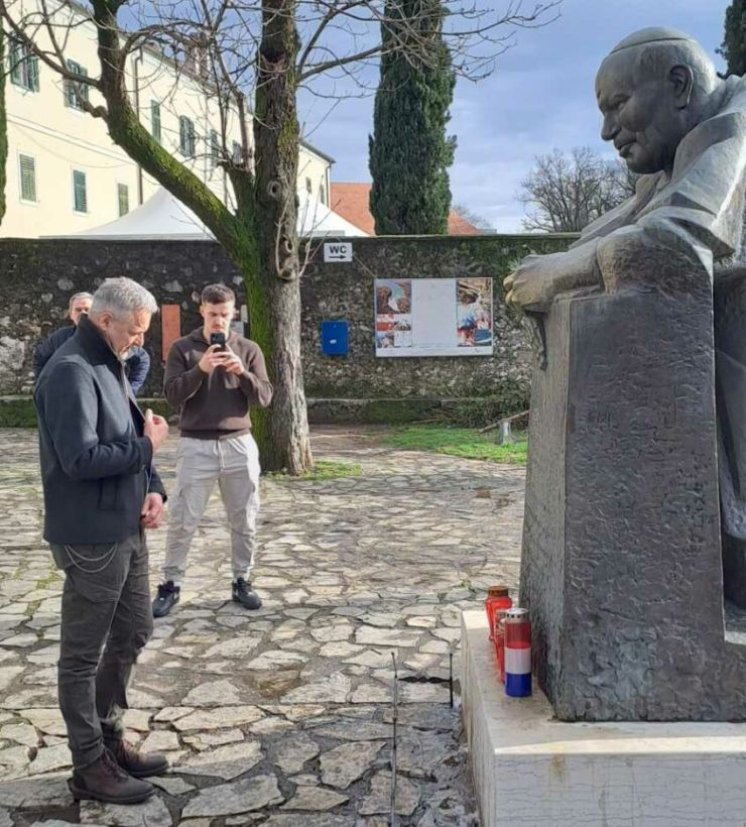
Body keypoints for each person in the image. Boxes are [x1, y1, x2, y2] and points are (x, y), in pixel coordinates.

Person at [503, 28, 746, 590]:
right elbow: (624, 224)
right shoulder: (677, 159)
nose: (608, 130)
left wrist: (560, 273)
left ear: (679, 85)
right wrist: (558, 264)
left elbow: (674, 241)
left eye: (618, 106)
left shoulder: (733, 134)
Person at [34, 278, 170, 805]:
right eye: (135, 332)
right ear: (105, 319)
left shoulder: (108, 360)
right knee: (82, 657)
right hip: (91, 536)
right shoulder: (70, 370)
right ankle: (90, 765)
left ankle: (110, 738)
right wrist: (146, 448)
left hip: (126, 525)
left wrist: (152, 487)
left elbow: (128, 434)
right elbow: (81, 459)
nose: (139, 342)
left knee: (135, 628)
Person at [152, 283, 273, 618]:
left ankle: (242, 579)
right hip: (196, 444)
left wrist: (242, 373)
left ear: (233, 313)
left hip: (238, 443)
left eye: (224, 314)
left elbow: (265, 397)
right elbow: (173, 395)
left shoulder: (247, 348)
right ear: (202, 311)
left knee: (245, 517)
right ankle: (171, 584)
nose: (219, 321)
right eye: (212, 313)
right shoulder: (182, 349)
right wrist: (201, 369)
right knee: (183, 518)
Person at [35, 291, 151, 394]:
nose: (83, 313)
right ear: (71, 314)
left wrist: (128, 391)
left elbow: (141, 358)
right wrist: (45, 387)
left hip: (103, 398)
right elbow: (41, 356)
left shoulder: (110, 336)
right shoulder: (60, 337)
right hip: (69, 396)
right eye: (78, 310)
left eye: (87, 309)